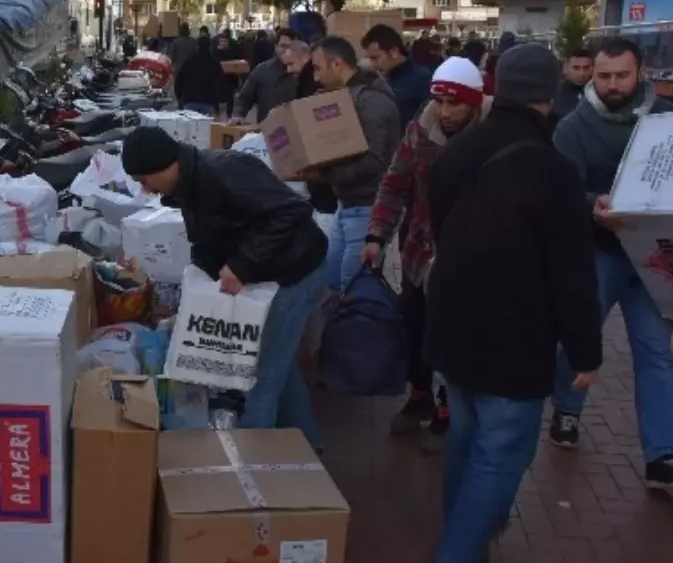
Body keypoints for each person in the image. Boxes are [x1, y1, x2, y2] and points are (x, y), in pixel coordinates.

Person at [425, 43, 602, 563]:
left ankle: (462, 527)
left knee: (466, 434)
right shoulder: (553, 169)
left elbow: (441, 227)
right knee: (501, 447)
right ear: (547, 97)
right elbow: (572, 271)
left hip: (453, 317)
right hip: (515, 333)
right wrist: (586, 350)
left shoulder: (457, 149)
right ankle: (460, 550)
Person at [120, 126, 329, 444]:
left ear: (161, 164)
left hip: (296, 272)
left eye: (143, 180)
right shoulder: (187, 186)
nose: (144, 190)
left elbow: (292, 211)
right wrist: (195, 299)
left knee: (260, 376)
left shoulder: (225, 172)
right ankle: (309, 443)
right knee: (277, 363)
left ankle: (246, 473)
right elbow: (205, 244)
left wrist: (242, 265)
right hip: (270, 274)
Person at [551, 37, 673, 489]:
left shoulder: (669, 121)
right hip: (598, 253)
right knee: (578, 342)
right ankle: (567, 410)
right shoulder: (572, 127)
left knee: (656, 353)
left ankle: (663, 455)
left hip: (652, 258)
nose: (611, 84)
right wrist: (592, 205)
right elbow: (560, 190)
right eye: (602, 76)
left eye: (621, 75)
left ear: (640, 72)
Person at [362, 57, 491, 454]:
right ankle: (419, 392)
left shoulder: (492, 135)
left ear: (473, 103)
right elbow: (395, 183)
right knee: (415, 326)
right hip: (420, 249)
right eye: (441, 103)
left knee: (455, 334)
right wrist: (376, 234)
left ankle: (448, 406)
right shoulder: (420, 131)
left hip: (470, 255)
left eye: (456, 104)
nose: (447, 112)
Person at [306, 36, 401, 292]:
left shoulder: (372, 101)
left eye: (317, 68)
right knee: (334, 281)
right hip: (347, 205)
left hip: (368, 208)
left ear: (337, 65)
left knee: (354, 287)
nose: (315, 77)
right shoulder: (347, 97)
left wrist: (322, 175)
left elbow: (375, 161)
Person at [362, 24, 433, 128]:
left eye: (375, 58)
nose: (373, 64)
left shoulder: (422, 79)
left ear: (394, 52)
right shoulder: (379, 79)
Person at [230, 34, 301, 123]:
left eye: (291, 47)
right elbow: (244, 96)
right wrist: (238, 115)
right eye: (283, 46)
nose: (287, 51)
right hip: (268, 129)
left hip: (298, 129)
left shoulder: (304, 70)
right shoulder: (262, 70)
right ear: (276, 47)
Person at [173, 32, 225, 115]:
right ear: (210, 47)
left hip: (190, 100)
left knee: (190, 126)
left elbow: (179, 78)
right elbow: (220, 82)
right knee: (205, 126)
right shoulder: (214, 63)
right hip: (208, 102)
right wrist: (218, 99)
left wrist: (179, 95)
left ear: (197, 46)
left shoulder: (189, 61)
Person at [549, 47, 593, 128]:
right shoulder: (553, 94)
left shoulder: (599, 92)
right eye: (576, 68)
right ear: (565, 67)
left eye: (586, 68)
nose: (581, 73)